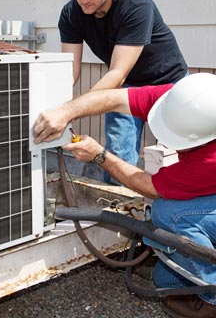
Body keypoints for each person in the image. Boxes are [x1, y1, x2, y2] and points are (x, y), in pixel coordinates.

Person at [33, 73, 216, 318]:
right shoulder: (185, 100)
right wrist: (66, 112)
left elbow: (151, 187)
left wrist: (100, 155)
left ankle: (211, 299)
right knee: (164, 278)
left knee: (170, 215)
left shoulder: (209, 160)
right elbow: (115, 98)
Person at [59, 0, 187, 181]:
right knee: (117, 155)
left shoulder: (135, 4)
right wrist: (56, 106)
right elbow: (70, 72)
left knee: (179, 155)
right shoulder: (71, 14)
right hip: (127, 87)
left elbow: (117, 72)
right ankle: (117, 212)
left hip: (169, 83)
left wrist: (70, 111)